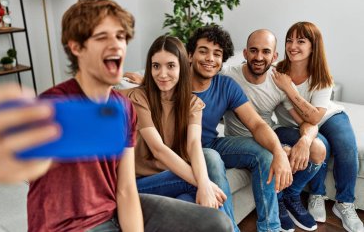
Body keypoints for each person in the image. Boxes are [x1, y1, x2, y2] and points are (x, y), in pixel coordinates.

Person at [0, 0, 233, 232]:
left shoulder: (123, 108)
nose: (115, 44)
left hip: (112, 209)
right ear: (77, 48)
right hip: (68, 226)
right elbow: (22, 162)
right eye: (102, 37)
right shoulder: (54, 103)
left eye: (121, 36)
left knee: (217, 223)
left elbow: (124, 189)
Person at [123, 26, 293, 232]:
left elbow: (256, 123)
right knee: (207, 163)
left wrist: (278, 152)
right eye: (203, 51)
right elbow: (158, 87)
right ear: (190, 56)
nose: (210, 58)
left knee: (263, 155)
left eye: (217, 54)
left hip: (207, 145)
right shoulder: (165, 89)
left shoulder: (211, 93)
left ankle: (270, 228)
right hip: (177, 159)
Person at [121, 35, 237, 231]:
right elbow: (158, 149)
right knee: (197, 183)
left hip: (170, 181)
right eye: (156, 66)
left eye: (171, 66)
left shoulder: (193, 104)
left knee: (192, 204)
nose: (162, 73)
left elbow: (193, 145)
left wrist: (204, 186)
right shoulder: (139, 98)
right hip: (140, 184)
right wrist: (204, 184)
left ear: (183, 66)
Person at [220, 29, 326, 231]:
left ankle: (290, 194)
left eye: (266, 52)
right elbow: (189, 73)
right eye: (253, 50)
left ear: (274, 56)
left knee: (318, 148)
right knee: (281, 152)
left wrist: (304, 142)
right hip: (239, 142)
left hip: (268, 137)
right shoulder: (227, 75)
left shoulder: (278, 81)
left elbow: (307, 121)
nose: (259, 57)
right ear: (244, 53)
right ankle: (275, 205)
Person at [272, 21, 364, 232]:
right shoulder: (279, 72)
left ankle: (345, 204)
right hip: (296, 122)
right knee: (321, 147)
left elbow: (316, 117)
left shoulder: (321, 75)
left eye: (301, 41)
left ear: (313, 46)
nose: (292, 46)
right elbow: (303, 119)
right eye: (289, 40)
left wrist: (290, 88)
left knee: (347, 148)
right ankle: (316, 195)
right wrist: (307, 135)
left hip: (328, 116)